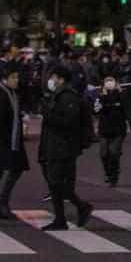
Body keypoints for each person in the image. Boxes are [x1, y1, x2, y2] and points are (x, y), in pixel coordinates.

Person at [37, 65, 94, 231]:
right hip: (57, 145)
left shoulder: (68, 97)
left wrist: (47, 112)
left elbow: (67, 122)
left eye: (53, 77)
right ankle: (78, 209)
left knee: (56, 183)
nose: (50, 81)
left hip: (63, 146)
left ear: (61, 79)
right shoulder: (59, 95)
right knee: (59, 184)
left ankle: (64, 217)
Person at [0, 63, 28, 220]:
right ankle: (1, 204)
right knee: (10, 171)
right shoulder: (2, 95)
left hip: (4, 142)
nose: (16, 80)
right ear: (5, 79)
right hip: (3, 143)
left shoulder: (9, 93)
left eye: (17, 77)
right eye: (13, 77)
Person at [94, 76, 131, 187]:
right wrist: (103, 95)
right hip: (104, 130)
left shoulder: (122, 94)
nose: (109, 83)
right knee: (103, 154)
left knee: (113, 153)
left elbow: (128, 108)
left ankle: (114, 176)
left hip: (118, 129)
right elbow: (96, 110)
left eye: (111, 81)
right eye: (107, 81)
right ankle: (107, 173)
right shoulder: (100, 95)